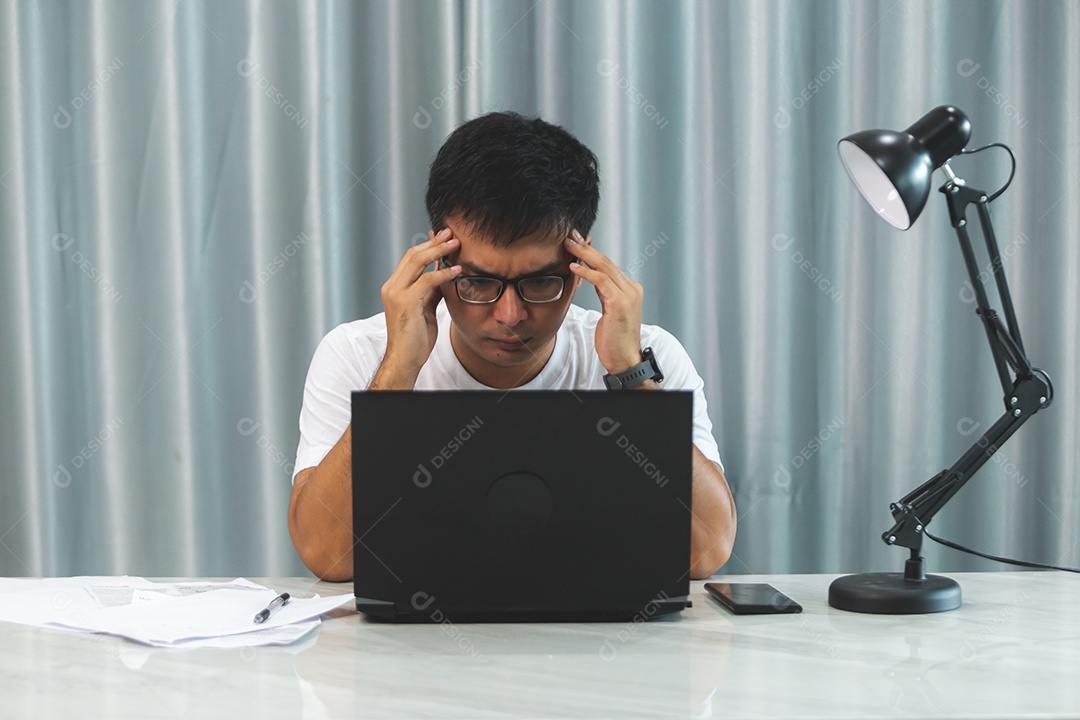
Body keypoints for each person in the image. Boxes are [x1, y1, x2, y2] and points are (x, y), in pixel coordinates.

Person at [288, 112, 736, 582]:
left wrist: (629, 377)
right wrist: (399, 369)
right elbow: (328, 555)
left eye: (540, 281)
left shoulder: (644, 356)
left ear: (582, 263)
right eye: (479, 282)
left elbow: (707, 552)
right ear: (438, 260)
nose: (509, 316)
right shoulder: (359, 353)